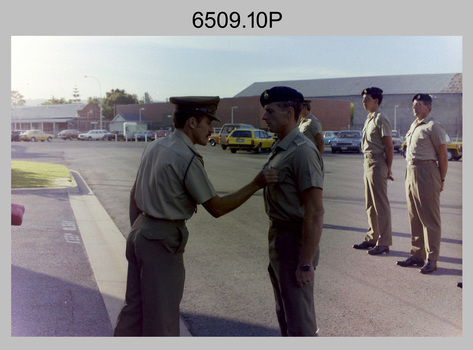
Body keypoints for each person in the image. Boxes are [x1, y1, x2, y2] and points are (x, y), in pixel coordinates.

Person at [113, 96, 279, 336]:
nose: (211, 130)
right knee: (163, 317)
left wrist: (140, 233)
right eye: (208, 122)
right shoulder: (186, 157)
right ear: (192, 122)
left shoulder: (155, 146)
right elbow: (217, 208)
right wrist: (256, 183)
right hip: (161, 239)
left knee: (134, 309)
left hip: (140, 232)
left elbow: (133, 196)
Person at [260, 86, 324, 336]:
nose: (264, 117)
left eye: (270, 111)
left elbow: (315, 211)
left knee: (299, 320)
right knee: (286, 313)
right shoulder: (282, 147)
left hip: (295, 241)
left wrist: (306, 263)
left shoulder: (302, 151)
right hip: (280, 238)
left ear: (289, 112)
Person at [397, 93, 448, 274]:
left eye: (419, 104)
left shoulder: (433, 126)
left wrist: (441, 180)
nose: (415, 107)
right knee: (414, 216)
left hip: (427, 172)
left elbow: (443, 156)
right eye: (414, 104)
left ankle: (432, 259)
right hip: (411, 171)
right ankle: (417, 254)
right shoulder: (414, 125)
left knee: (430, 218)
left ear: (429, 107)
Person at [353, 87, 394, 255]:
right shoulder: (369, 118)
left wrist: (388, 168)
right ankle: (372, 237)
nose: (364, 101)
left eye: (367, 99)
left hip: (378, 162)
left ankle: (383, 242)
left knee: (380, 205)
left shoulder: (380, 119)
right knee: (370, 204)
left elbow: (389, 146)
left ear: (376, 101)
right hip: (368, 161)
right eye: (363, 99)